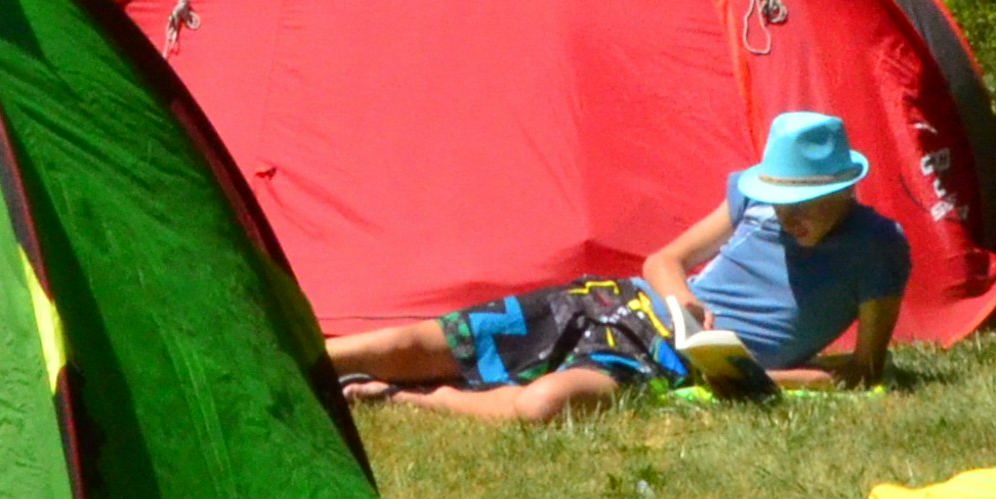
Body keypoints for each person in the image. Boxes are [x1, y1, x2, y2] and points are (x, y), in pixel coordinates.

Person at [324, 110, 913, 425]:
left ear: (843, 189)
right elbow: (664, 260)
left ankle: (405, 400)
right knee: (417, 339)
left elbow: (864, 371)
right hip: (617, 304)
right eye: (779, 203)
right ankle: (282, 357)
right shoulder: (750, 199)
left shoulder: (879, 248)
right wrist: (683, 301)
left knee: (542, 407)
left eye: (803, 207)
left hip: (667, 362)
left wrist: (744, 377)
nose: (788, 219)